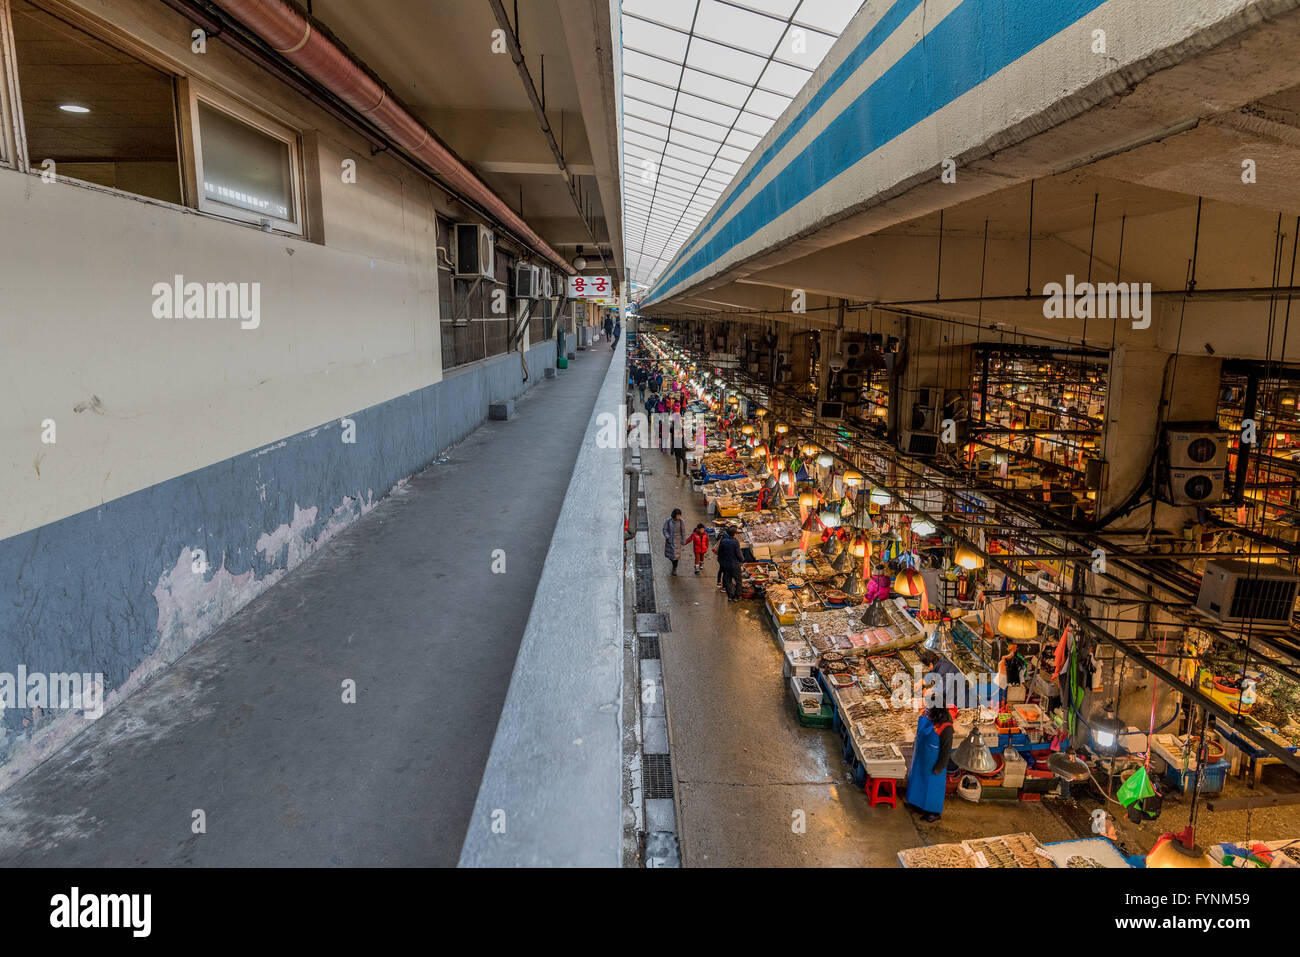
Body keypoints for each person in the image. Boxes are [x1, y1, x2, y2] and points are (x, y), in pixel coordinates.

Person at [904, 706, 955, 822]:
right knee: (917, 783)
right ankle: (916, 804)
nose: (927, 713)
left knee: (931, 788)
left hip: (933, 764)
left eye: (929, 712)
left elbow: (946, 752)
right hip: (920, 759)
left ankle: (934, 812)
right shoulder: (927, 716)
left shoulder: (946, 728)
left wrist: (939, 767)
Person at [717, 526, 744, 601]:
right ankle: (736, 596)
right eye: (736, 533)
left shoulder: (723, 541)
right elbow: (739, 554)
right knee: (738, 581)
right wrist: (742, 560)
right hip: (735, 565)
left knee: (728, 581)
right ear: (734, 534)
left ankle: (730, 596)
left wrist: (722, 562)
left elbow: (720, 553)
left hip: (726, 565)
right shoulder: (735, 542)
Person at [662, 508, 687, 575]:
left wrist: (683, 540)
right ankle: (674, 565)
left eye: (679, 515)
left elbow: (683, 532)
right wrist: (667, 536)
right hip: (670, 541)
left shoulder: (681, 522)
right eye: (678, 515)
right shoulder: (668, 520)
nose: (679, 517)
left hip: (677, 542)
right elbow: (665, 529)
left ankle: (674, 568)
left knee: (676, 557)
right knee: (671, 556)